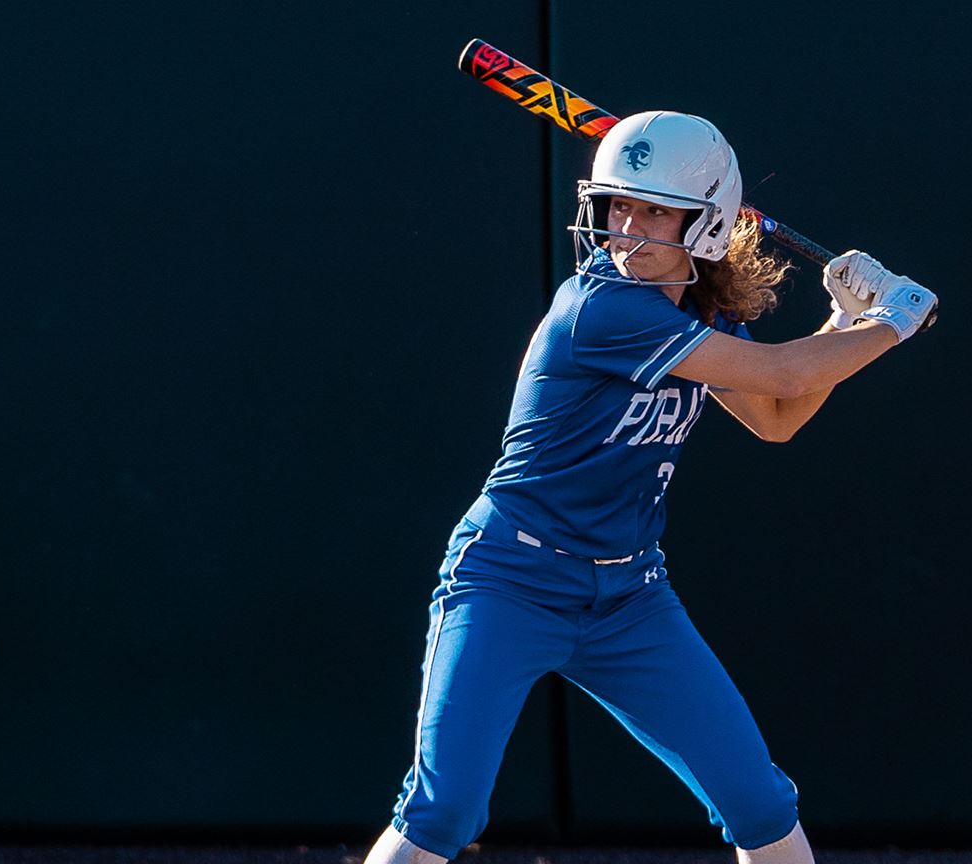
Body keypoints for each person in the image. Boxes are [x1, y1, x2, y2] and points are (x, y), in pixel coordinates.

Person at [362, 110, 937, 864]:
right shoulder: (600, 309)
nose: (625, 227)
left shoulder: (696, 314)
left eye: (654, 209)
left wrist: (842, 321)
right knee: (442, 814)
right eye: (617, 204)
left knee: (761, 807)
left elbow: (775, 418)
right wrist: (890, 322)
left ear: (705, 225)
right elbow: (787, 375)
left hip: (628, 596)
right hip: (509, 578)